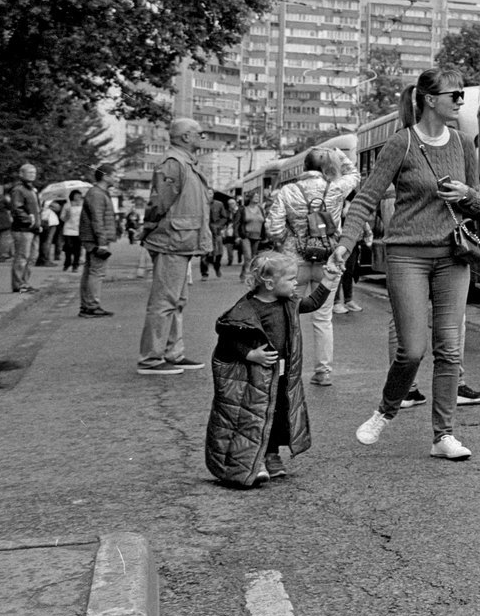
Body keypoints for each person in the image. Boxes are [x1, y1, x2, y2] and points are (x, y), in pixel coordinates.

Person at [325, 67, 480, 461]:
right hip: (407, 254)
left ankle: (443, 436)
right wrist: (345, 245)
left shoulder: (464, 143)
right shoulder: (402, 143)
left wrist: (466, 193)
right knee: (412, 349)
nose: (461, 102)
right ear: (430, 99)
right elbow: (366, 198)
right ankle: (385, 410)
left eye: (462, 95)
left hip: (452, 255)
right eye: (455, 95)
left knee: (450, 350)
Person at [205, 249, 335, 488]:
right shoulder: (247, 308)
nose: (296, 283)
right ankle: (257, 461)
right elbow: (228, 337)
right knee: (254, 418)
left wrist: (328, 280)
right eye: (290, 279)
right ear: (269, 283)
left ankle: (272, 454)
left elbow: (313, 302)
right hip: (257, 376)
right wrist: (250, 354)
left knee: (277, 415)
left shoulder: (289, 302)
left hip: (282, 372)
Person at [273, 148, 358, 388]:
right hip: (328, 261)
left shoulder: (287, 191)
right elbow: (355, 174)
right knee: (323, 318)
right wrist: (339, 155)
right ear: (325, 168)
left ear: (304, 168)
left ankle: (288, 370)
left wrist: (291, 237)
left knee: (290, 317)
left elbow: (274, 229)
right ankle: (323, 372)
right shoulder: (337, 188)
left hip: (294, 264)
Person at [138, 118, 214, 373]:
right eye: (198, 134)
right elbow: (158, 203)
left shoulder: (185, 163)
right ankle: (151, 358)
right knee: (164, 301)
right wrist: (148, 230)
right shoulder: (174, 163)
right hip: (171, 240)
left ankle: (172, 352)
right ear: (185, 137)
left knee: (176, 300)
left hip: (180, 241)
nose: (201, 138)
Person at [77, 167, 117, 317]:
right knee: (96, 272)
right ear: (105, 177)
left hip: (92, 238)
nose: (117, 178)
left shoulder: (97, 193)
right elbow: (97, 219)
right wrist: (102, 241)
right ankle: (92, 305)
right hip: (96, 239)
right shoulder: (97, 194)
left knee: (90, 271)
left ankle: (87, 305)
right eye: (114, 175)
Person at [1, 163, 42, 293]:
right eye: (29, 172)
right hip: (22, 229)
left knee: (32, 257)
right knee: (22, 257)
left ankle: (25, 282)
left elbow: (35, 209)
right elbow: (17, 209)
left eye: (34, 172)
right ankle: (19, 284)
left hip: (33, 228)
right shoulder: (18, 190)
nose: (32, 175)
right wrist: (29, 221)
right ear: (21, 174)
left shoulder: (32, 190)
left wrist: (38, 223)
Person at [59, 190, 86, 271]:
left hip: (79, 229)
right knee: (68, 247)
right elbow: (62, 217)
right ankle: (67, 263)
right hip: (68, 229)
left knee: (77, 248)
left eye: (79, 195)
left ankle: (75, 265)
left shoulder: (83, 205)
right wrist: (67, 215)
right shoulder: (67, 205)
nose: (78, 197)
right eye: (76, 195)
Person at [36, 196, 60, 266]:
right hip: (49, 221)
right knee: (47, 242)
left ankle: (41, 259)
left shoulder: (38, 197)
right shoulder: (48, 199)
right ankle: (45, 259)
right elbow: (58, 208)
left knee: (42, 241)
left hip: (42, 220)